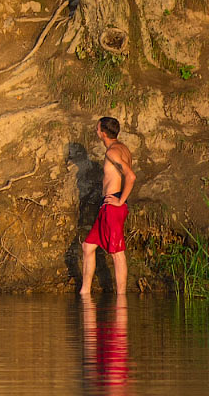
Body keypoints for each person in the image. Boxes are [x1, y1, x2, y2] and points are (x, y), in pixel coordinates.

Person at [80, 116, 136, 294]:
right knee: (88, 246)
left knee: (117, 253)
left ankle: (121, 297)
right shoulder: (122, 148)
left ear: (103, 133)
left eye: (97, 129)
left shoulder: (112, 152)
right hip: (107, 206)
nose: (96, 132)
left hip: (114, 205)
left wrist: (120, 200)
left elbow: (131, 176)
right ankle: (85, 292)